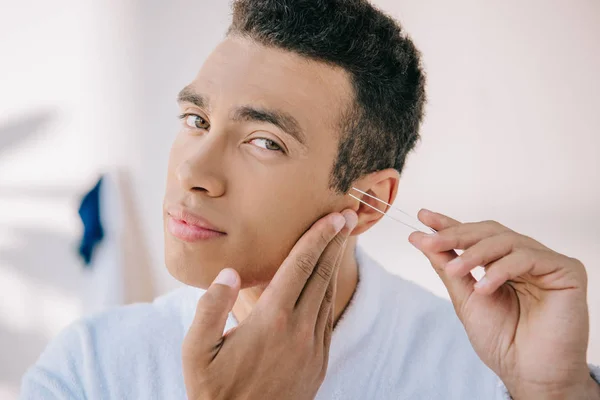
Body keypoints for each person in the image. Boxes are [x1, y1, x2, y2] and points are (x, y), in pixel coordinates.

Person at [21, 0, 600, 399]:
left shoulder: (489, 376)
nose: (193, 171)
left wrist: (556, 392)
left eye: (264, 141)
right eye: (196, 119)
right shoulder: (88, 368)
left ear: (369, 204)